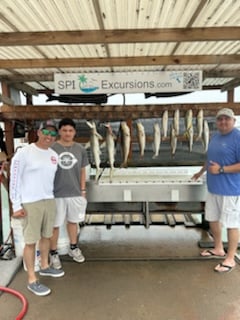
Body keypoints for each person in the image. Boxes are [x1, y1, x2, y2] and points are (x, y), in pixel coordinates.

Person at [9, 120, 65, 297]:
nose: (49, 137)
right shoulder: (24, 153)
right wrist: (16, 205)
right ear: (38, 132)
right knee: (31, 241)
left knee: (46, 236)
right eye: (46, 132)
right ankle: (32, 279)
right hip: (30, 203)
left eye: (52, 134)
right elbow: (14, 180)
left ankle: (45, 266)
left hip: (48, 200)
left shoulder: (53, 155)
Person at [193, 108, 240, 273]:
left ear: (233, 121)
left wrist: (221, 170)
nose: (223, 122)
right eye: (220, 119)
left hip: (230, 190)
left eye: (227, 119)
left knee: (231, 224)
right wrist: (200, 173)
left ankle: (230, 258)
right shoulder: (215, 137)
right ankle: (218, 248)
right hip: (213, 189)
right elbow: (209, 160)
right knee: (213, 219)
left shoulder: (238, 137)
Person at [49, 118, 89, 269]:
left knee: (73, 222)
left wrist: (83, 190)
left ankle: (74, 248)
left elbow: (83, 170)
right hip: (55, 193)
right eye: (64, 130)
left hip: (75, 192)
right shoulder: (51, 148)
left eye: (70, 131)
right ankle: (54, 253)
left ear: (74, 132)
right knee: (55, 225)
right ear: (59, 131)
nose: (67, 133)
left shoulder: (80, 149)